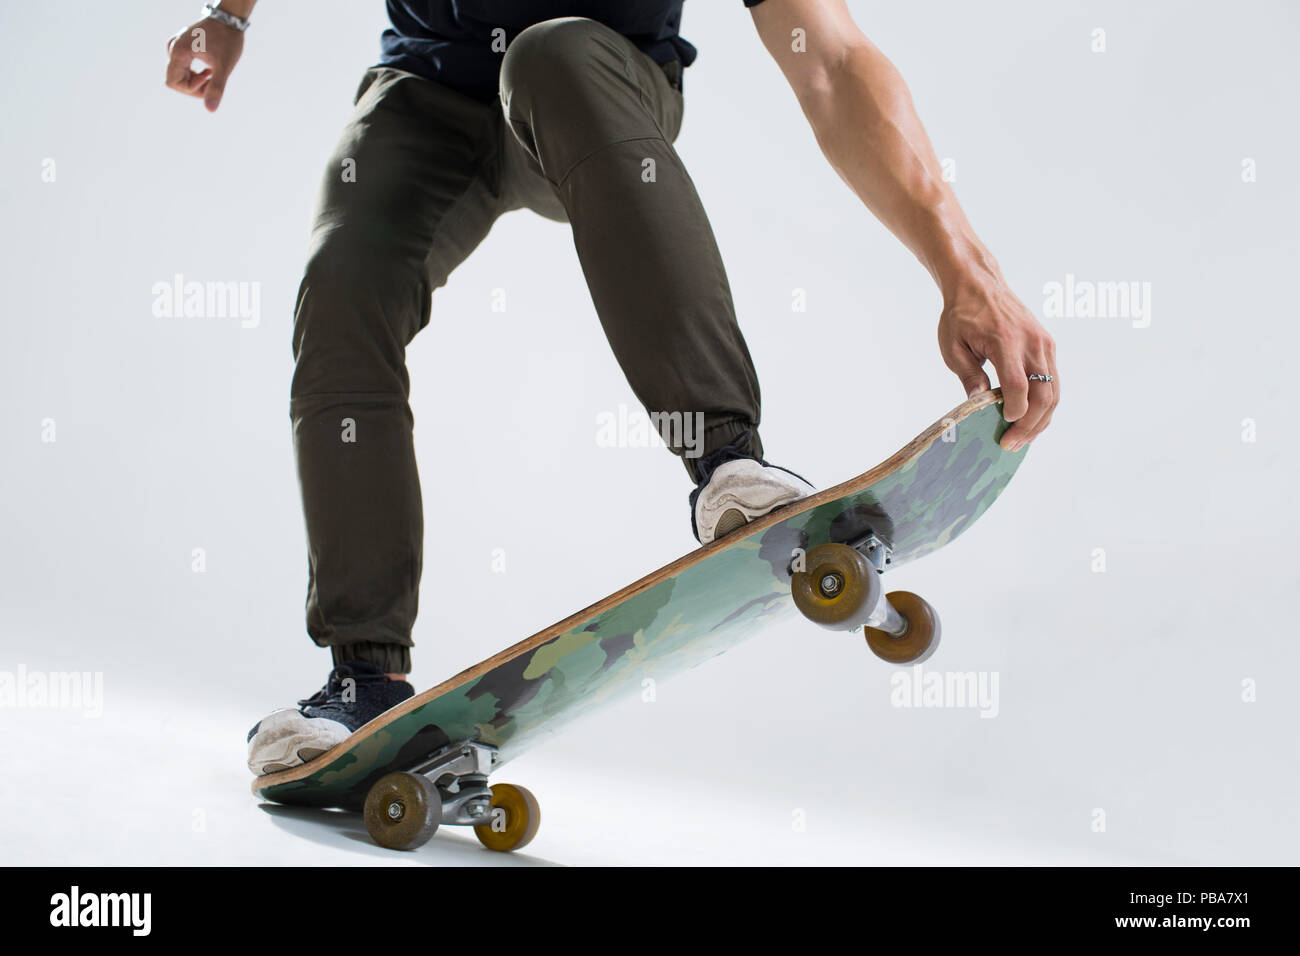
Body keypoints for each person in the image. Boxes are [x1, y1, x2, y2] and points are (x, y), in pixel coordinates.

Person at [165, 0, 1059, 776]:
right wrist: (230, 15)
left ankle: (727, 468)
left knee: (550, 54)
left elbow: (828, 59)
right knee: (342, 293)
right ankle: (363, 677)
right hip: (426, 94)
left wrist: (964, 265)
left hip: (597, 88)